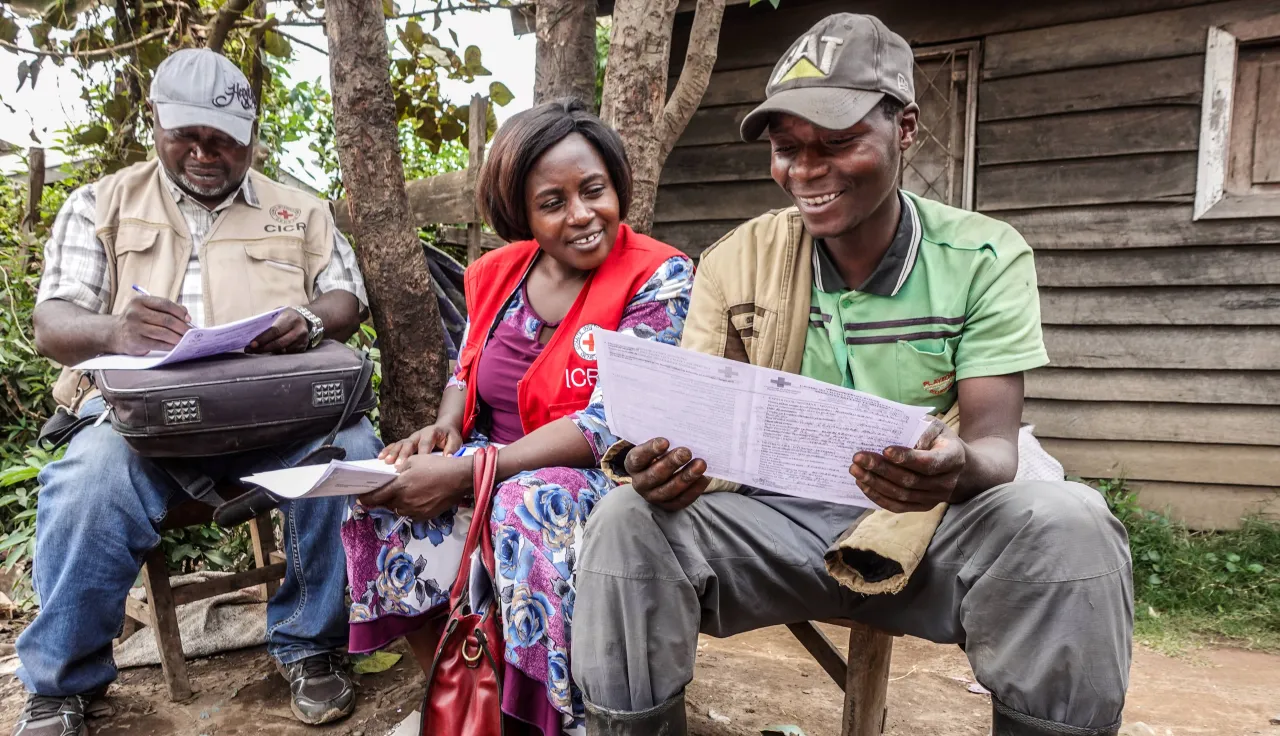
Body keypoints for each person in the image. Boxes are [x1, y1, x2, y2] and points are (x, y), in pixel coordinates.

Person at [569, 14, 1134, 736]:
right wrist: (663, 462)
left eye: (837, 143)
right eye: (786, 149)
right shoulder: (735, 260)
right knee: (624, 522)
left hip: (935, 531)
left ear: (905, 128)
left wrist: (954, 467)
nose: (806, 171)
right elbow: (698, 426)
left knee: (1071, 525)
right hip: (771, 530)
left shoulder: (985, 257)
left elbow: (996, 447)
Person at [14, 49, 381, 736]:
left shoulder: (298, 209)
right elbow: (51, 322)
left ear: (252, 137)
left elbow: (345, 298)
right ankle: (62, 685)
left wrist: (306, 319)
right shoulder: (99, 203)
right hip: (140, 427)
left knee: (351, 447)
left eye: (224, 141)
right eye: (188, 136)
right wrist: (114, 331)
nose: (205, 154)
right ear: (155, 123)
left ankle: (312, 647)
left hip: (274, 420)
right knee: (89, 477)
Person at [339, 98, 693, 735]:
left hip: (598, 477)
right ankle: (468, 695)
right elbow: (466, 367)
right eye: (553, 203)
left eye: (594, 190)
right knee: (378, 493)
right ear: (522, 212)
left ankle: (548, 716)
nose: (582, 215)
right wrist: (447, 429)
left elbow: (615, 423)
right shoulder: (497, 274)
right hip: (488, 457)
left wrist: (471, 471)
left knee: (526, 506)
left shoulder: (658, 277)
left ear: (617, 186)